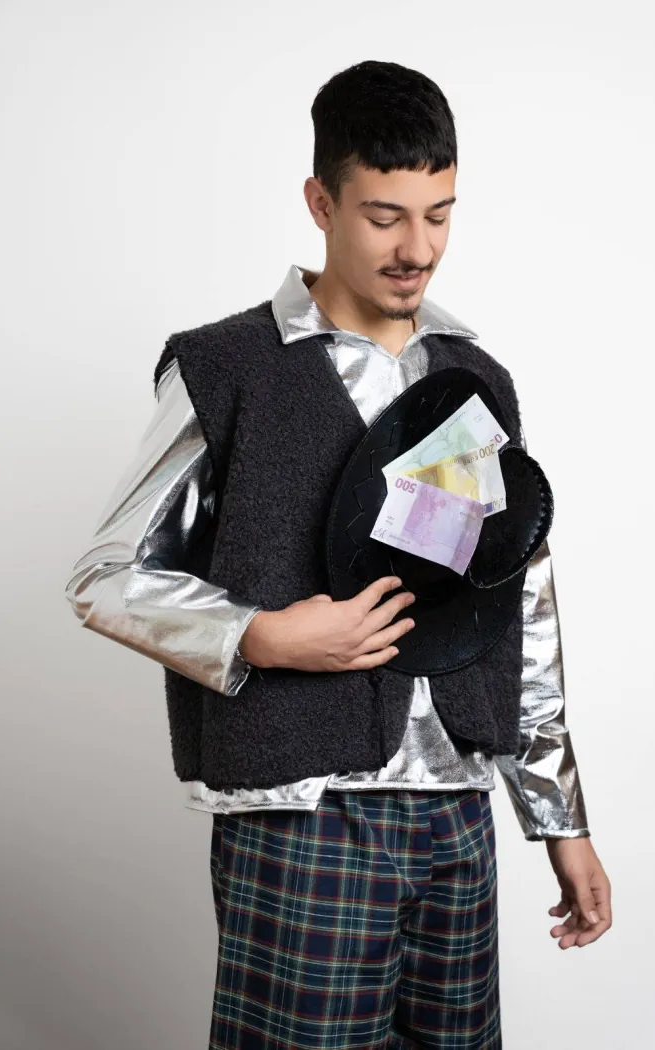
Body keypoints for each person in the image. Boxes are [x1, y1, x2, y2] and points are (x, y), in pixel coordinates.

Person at [65, 59, 611, 1050]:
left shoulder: (472, 377)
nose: (417, 249)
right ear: (320, 203)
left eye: (439, 215)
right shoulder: (229, 370)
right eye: (385, 217)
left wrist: (558, 817)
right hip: (305, 818)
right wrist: (260, 635)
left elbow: (517, 598)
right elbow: (105, 579)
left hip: (455, 813)